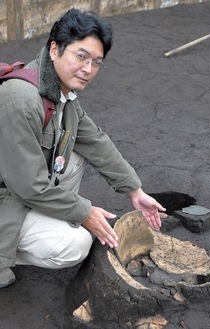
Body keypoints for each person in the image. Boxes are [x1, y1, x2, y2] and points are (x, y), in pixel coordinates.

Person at [0, 8, 165, 288]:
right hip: (10, 194)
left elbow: (96, 141)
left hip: (17, 186)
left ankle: (38, 222)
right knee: (75, 243)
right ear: (55, 49)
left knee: (76, 153)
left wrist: (134, 191)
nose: (88, 69)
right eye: (81, 56)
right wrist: (83, 212)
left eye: (96, 62)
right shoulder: (21, 99)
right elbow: (28, 186)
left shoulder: (59, 92)